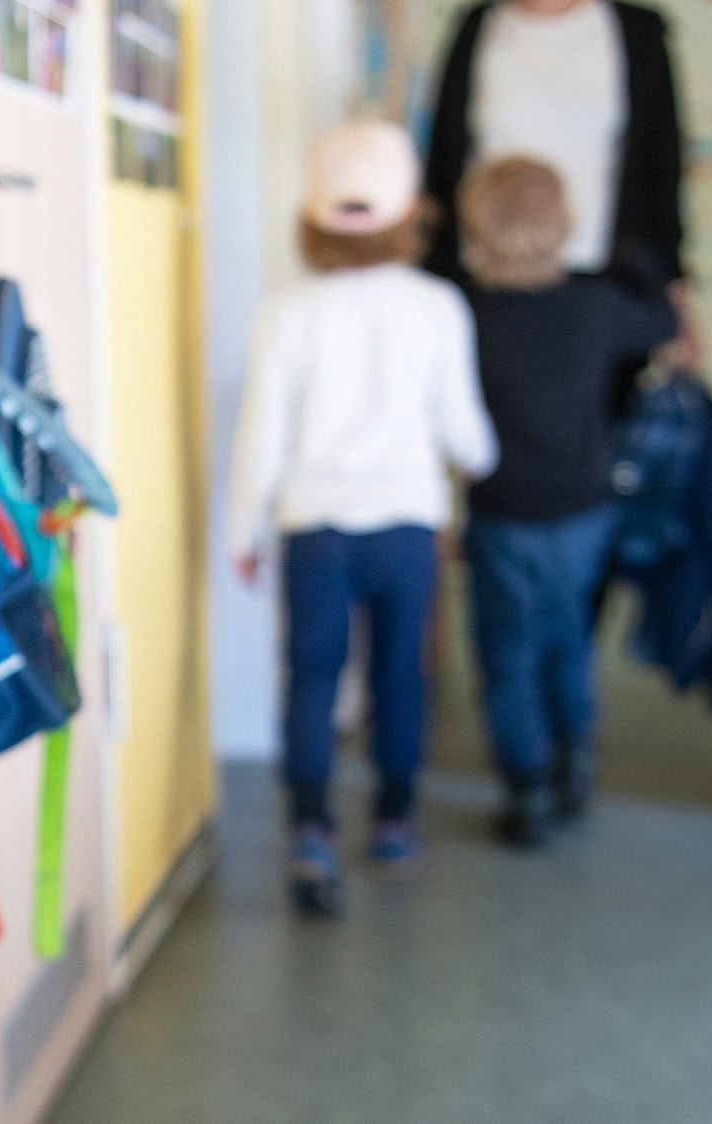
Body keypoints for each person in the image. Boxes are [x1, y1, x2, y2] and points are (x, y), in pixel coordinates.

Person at [228, 120, 497, 916]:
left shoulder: (286, 312)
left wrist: (244, 531)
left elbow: (261, 435)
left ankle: (309, 829)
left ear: (309, 218)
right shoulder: (438, 308)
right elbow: (466, 436)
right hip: (408, 527)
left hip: (314, 526)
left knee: (311, 677)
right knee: (398, 679)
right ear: (411, 214)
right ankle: (393, 821)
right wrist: (482, 463)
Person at [454, 157, 677, 847]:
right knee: (568, 639)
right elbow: (662, 320)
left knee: (506, 648)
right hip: (583, 508)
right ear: (563, 223)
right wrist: (631, 261)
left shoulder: (466, 312)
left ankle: (525, 788)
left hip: (500, 511)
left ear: (476, 226)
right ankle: (574, 760)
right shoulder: (594, 307)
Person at [424, 0, 697, 366]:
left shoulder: (638, 31)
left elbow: (661, 167)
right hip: (485, 283)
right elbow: (443, 159)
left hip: (603, 279)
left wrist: (676, 292)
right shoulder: (477, 26)